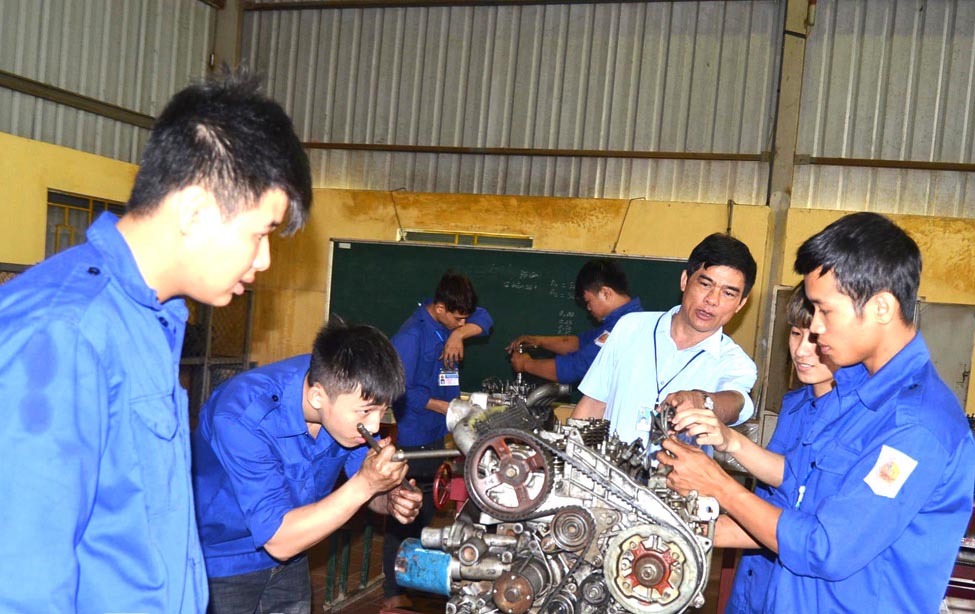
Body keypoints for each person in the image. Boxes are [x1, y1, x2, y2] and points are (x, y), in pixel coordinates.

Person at [0, 68, 311, 612]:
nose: (262, 261)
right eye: (259, 234)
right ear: (194, 210)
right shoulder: (64, 331)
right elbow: (21, 578)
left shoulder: (151, 322)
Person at [659, 212, 975, 612]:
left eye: (825, 311)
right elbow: (797, 486)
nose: (816, 329)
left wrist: (719, 486)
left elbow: (826, 548)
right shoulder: (851, 399)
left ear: (881, 308)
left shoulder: (916, 426)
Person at [192, 321, 423, 614]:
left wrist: (389, 498)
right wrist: (366, 484)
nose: (376, 426)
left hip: (295, 552)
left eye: (383, 410)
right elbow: (278, 540)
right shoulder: (242, 415)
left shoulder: (347, 396)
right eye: (367, 412)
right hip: (223, 563)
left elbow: (366, 489)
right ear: (317, 397)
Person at [671, 283, 839, 613]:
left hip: (800, 592)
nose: (802, 351)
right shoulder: (795, 404)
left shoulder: (855, 420)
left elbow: (803, 526)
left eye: (815, 338)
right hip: (756, 582)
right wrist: (728, 439)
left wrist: (687, 520)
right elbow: (787, 480)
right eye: (794, 334)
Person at [571, 233, 759, 451]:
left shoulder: (735, 363)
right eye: (706, 284)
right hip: (605, 478)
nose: (712, 300)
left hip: (676, 483)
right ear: (684, 280)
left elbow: (736, 402)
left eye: (728, 293)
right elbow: (593, 405)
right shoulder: (629, 328)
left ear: (740, 304)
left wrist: (704, 402)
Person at [382, 270, 494, 609]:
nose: (462, 322)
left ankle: (411, 575)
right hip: (413, 437)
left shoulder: (449, 324)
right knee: (406, 514)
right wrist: (446, 406)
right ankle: (392, 591)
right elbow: (401, 389)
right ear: (440, 307)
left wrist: (459, 334)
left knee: (428, 509)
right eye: (457, 318)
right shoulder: (410, 337)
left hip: (435, 436)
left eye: (464, 318)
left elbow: (485, 319)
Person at [505, 258, 642, 383]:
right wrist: (538, 341)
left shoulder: (624, 328)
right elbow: (579, 343)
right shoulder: (624, 320)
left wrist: (526, 364)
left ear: (606, 293)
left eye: (589, 301)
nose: (588, 308)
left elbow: (576, 367)